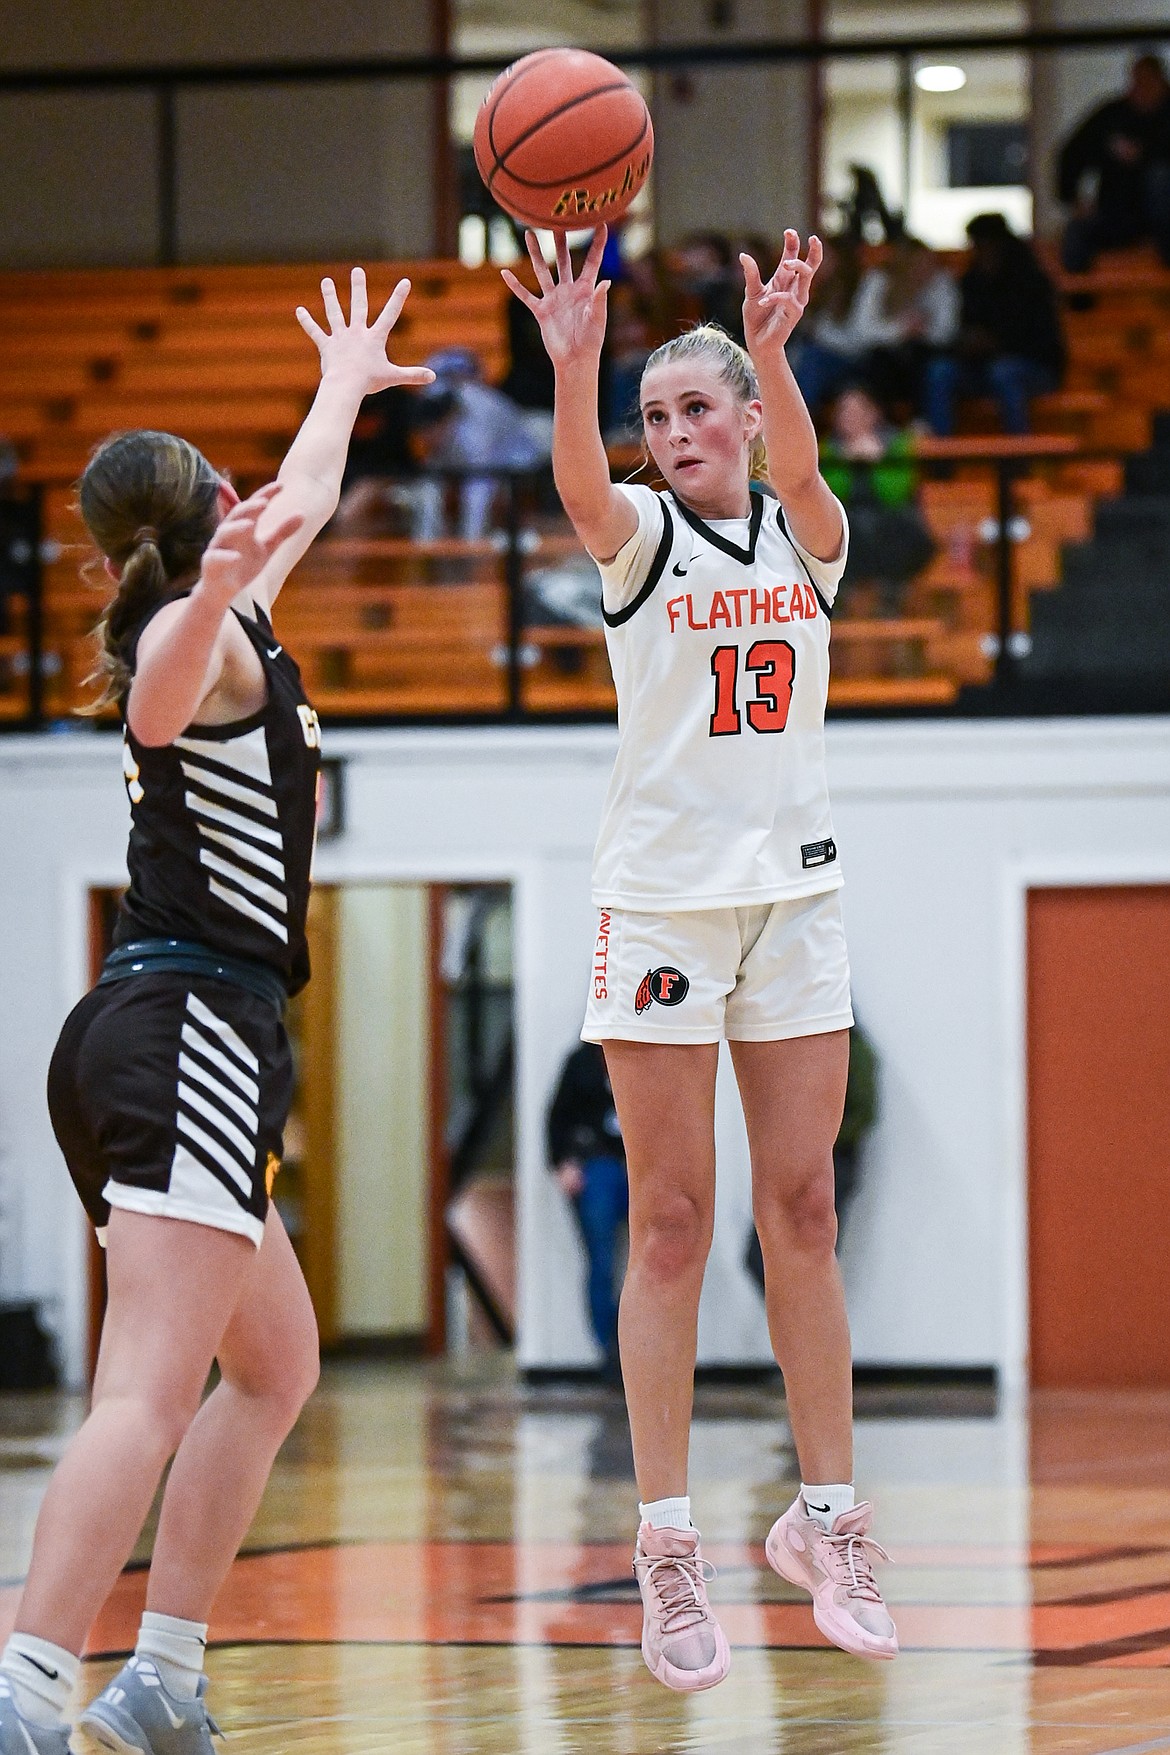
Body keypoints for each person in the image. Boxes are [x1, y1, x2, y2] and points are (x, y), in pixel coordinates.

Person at [0, 269, 433, 1755]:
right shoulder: (199, 635)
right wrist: (195, 600)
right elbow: (156, 702)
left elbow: (304, 492)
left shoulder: (232, 596)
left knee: (275, 1363)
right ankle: (23, 1684)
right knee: (147, 1387)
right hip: (183, 1021)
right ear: (205, 515)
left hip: (179, 1025)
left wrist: (343, 382)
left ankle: (164, 1674)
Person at [503, 224, 898, 1695]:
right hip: (662, 907)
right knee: (668, 1223)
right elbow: (572, 485)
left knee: (803, 1207)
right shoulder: (639, 540)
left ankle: (829, 1516)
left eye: (693, 409)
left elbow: (804, 471)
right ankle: (667, 1546)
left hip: (793, 900)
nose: (670, 433)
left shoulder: (805, 536)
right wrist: (573, 364)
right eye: (652, 416)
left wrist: (779, 348)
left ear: (742, 417)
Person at [923, 212, 1065, 436]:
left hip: (1033, 367)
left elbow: (1043, 342)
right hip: (981, 367)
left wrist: (998, 344)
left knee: (1004, 373)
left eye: (983, 245)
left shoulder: (1032, 283)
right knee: (940, 371)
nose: (979, 252)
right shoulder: (971, 283)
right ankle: (942, 457)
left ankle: (1017, 455)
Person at [547, 1039, 628, 1373]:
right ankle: (610, 1347)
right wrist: (563, 1163)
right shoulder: (581, 1063)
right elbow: (556, 1118)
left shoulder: (640, 1057)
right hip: (596, 1167)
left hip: (636, 1166)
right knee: (602, 1261)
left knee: (657, 1258)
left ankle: (642, 1347)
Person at [819, 386, 934, 614]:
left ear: (873, 414)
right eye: (844, 412)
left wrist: (877, 462)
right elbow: (828, 497)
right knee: (836, 530)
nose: (849, 418)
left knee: (897, 527)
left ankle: (891, 600)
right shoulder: (827, 450)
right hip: (850, 531)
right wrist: (847, 460)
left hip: (891, 526)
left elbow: (895, 494)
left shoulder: (897, 444)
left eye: (856, 411)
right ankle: (837, 604)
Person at [1059, 54, 1170, 272]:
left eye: (1149, 82)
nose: (1143, 89)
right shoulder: (1113, 116)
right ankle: (1081, 300)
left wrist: (1145, 156)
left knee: (1160, 177)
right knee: (1076, 236)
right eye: (1139, 81)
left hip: (1164, 221)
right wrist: (1072, 197)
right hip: (1118, 214)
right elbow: (1073, 153)